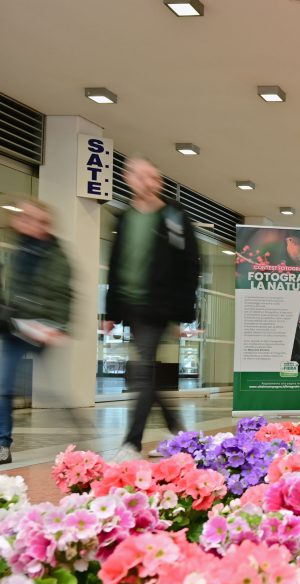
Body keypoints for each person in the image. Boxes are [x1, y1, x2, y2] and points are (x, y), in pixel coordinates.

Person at [103, 157, 200, 461]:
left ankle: (131, 443)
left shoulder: (174, 216)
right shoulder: (125, 218)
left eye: (152, 177)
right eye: (139, 176)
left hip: (157, 306)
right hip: (131, 304)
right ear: (128, 179)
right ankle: (178, 430)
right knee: (147, 373)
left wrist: (183, 313)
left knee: (142, 371)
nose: (146, 182)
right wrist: (111, 312)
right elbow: (116, 266)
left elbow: (190, 265)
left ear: (158, 182)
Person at [0, 198, 73, 465]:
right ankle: (2, 444)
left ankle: (74, 427)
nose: (24, 222)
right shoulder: (18, 249)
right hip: (14, 328)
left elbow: (64, 295)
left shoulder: (56, 255)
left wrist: (59, 326)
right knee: (3, 385)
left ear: (44, 223)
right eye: (23, 217)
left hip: (42, 329)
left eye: (31, 218)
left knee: (50, 390)